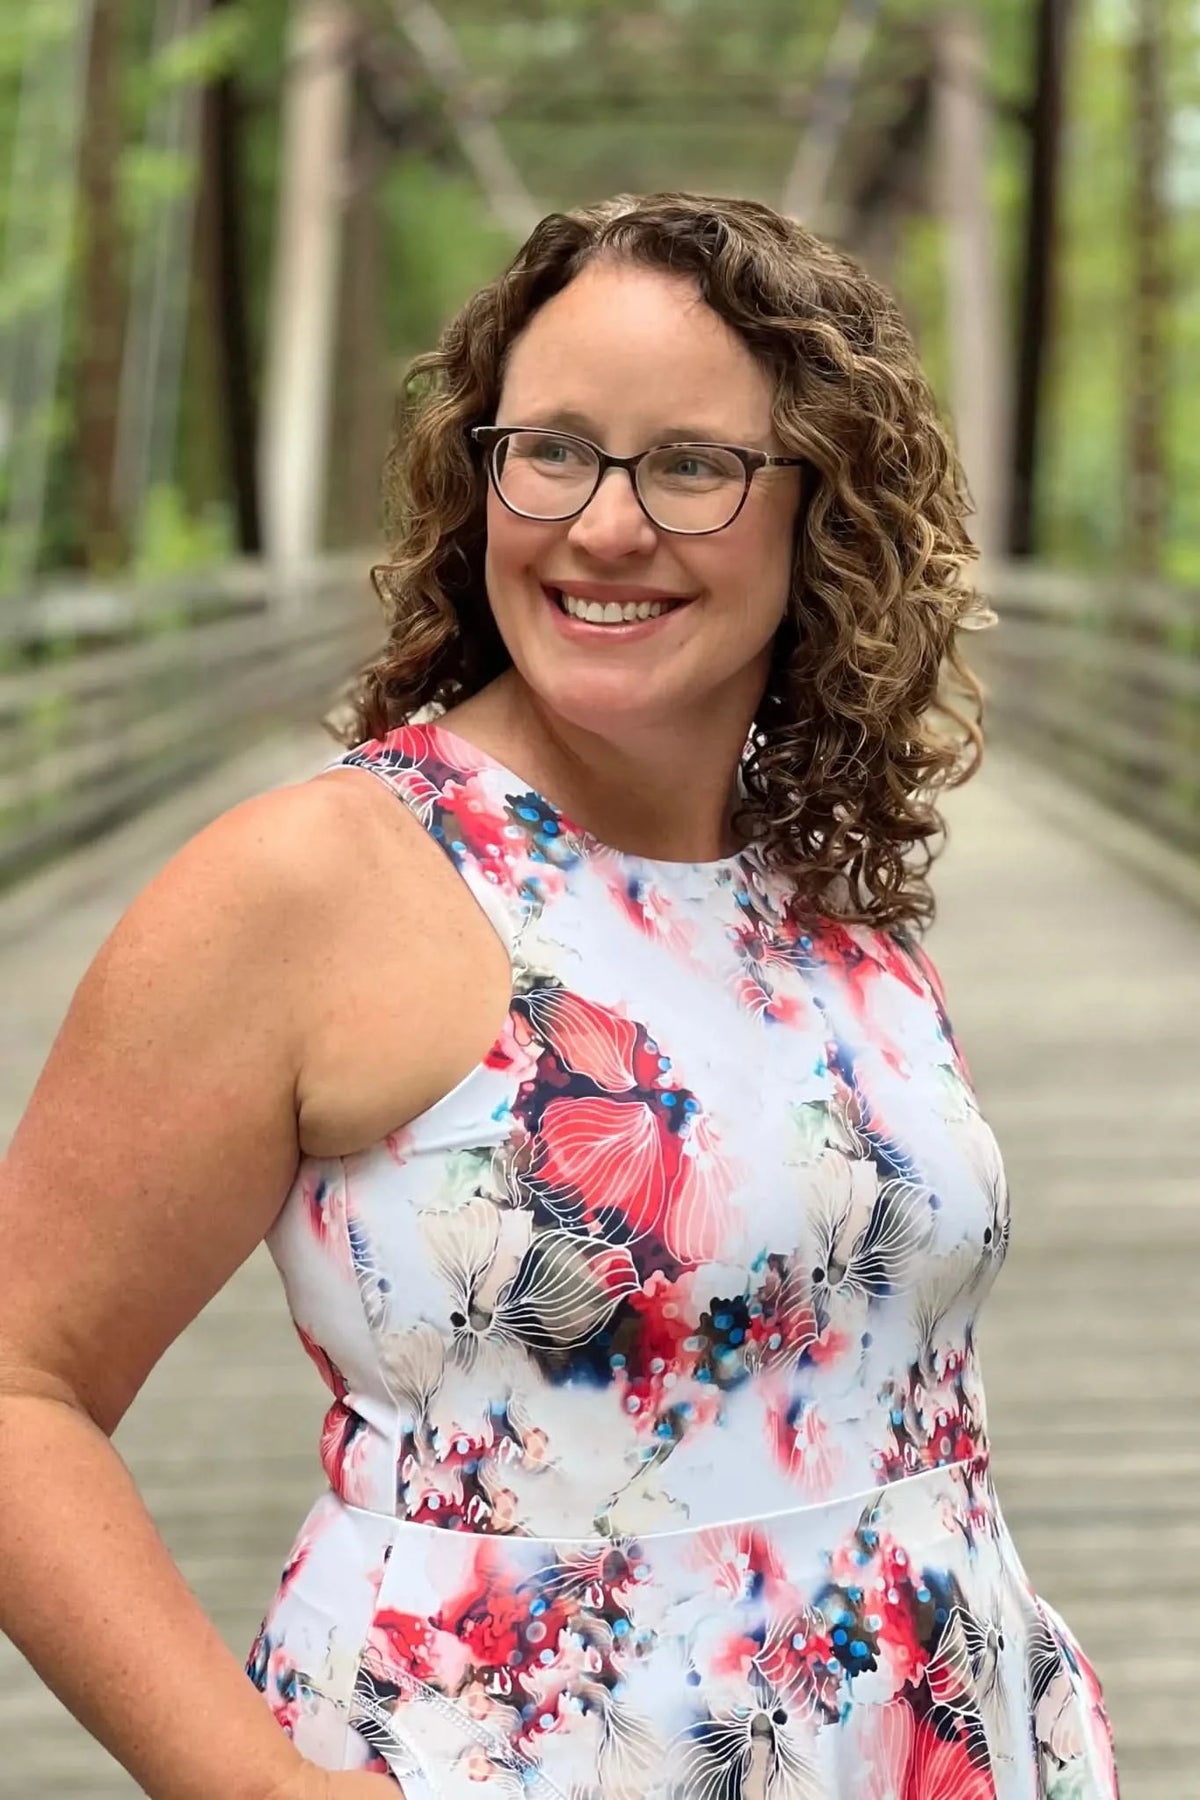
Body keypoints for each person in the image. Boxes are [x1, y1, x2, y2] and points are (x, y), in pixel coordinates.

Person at [0, 191, 1118, 1800]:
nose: (604, 525)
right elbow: (20, 1382)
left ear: (824, 512)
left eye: (692, 465)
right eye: (555, 452)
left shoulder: (821, 893)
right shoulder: (320, 880)